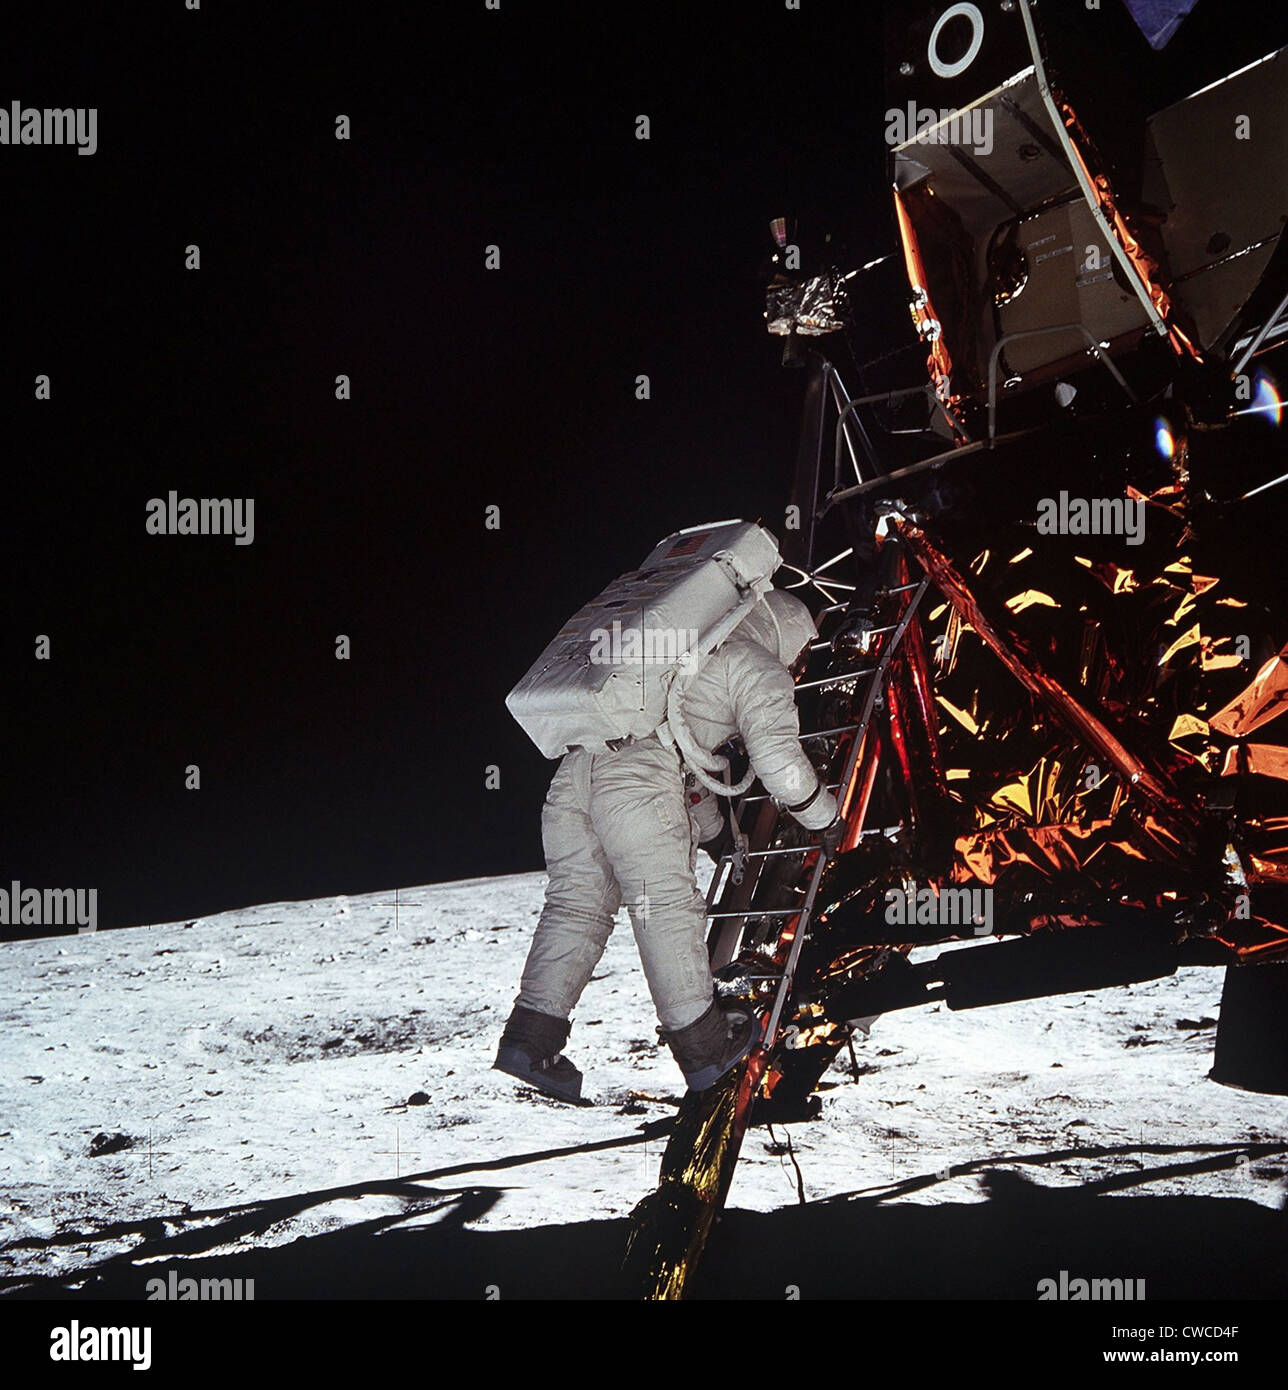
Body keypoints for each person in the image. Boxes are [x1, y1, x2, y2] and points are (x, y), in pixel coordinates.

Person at [494, 587, 843, 1102]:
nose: (801, 662)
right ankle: (704, 1049)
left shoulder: (685, 653)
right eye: (803, 650)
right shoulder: (754, 662)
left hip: (574, 778)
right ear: (786, 631)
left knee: (576, 908)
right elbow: (777, 760)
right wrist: (824, 817)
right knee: (664, 908)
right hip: (636, 783)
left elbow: (686, 763)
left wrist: (717, 836)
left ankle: (529, 1042)